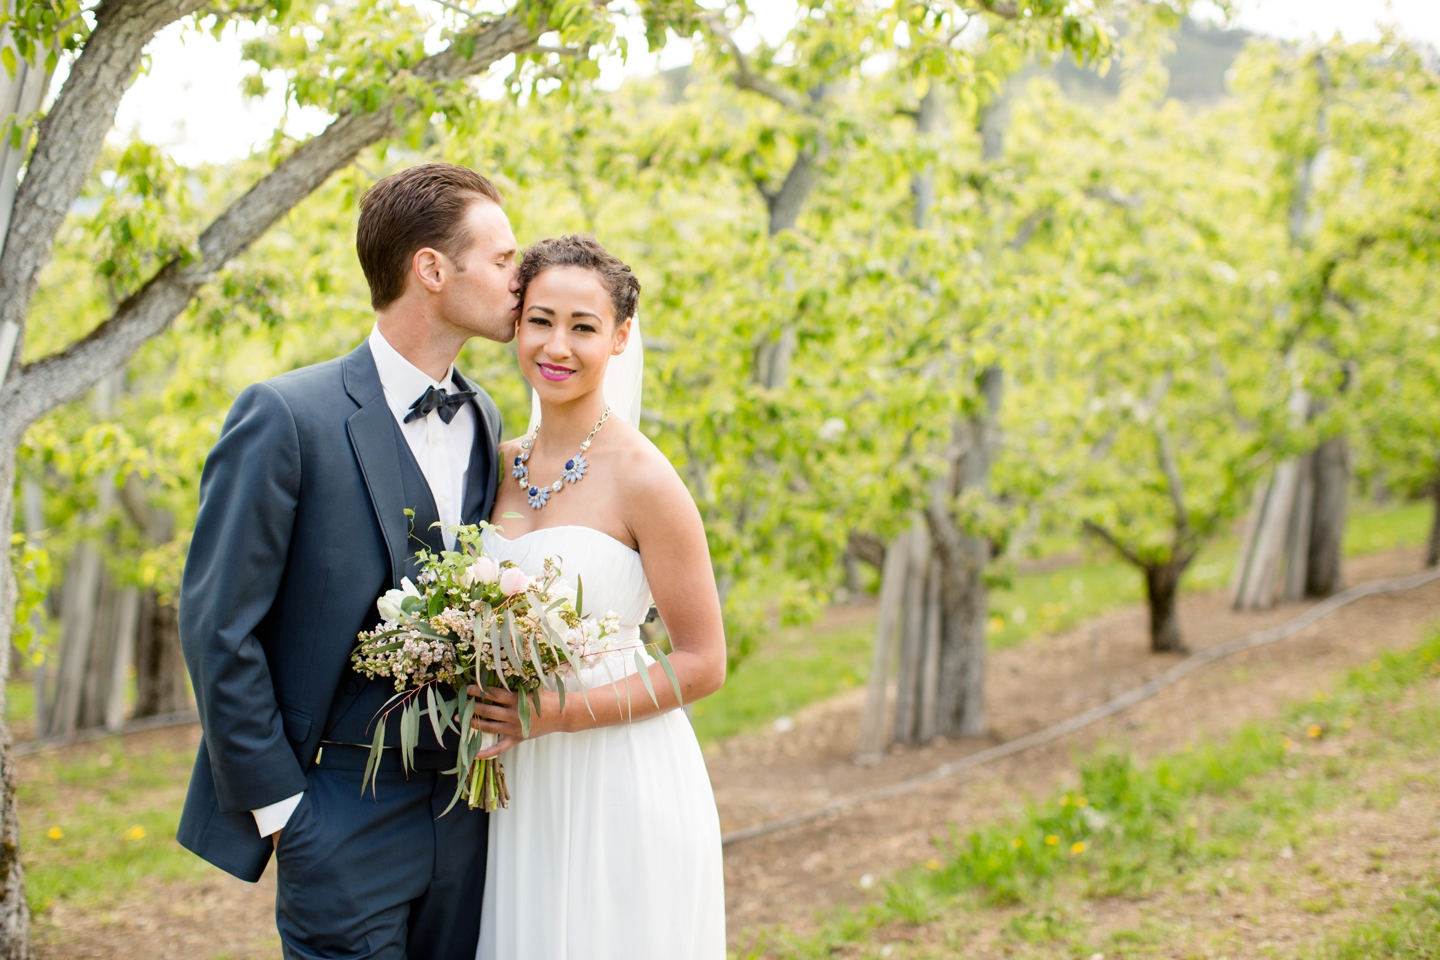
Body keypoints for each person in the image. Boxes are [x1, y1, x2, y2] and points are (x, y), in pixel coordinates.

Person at [177, 162, 519, 959]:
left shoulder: (486, 417)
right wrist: (283, 810)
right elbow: (217, 626)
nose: (521, 276)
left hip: (467, 809)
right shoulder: (285, 416)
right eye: (502, 258)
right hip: (335, 807)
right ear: (431, 270)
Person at [471, 234, 728, 959]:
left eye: (583, 327)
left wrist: (559, 713)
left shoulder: (644, 477)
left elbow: (704, 661)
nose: (557, 345)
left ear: (618, 338)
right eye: (541, 320)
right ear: (516, 325)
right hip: (516, 778)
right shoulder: (491, 467)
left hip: (618, 771)